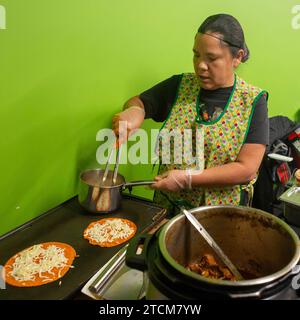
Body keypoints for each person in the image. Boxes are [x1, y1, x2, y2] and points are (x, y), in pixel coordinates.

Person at [112, 14, 269, 213]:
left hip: (218, 214)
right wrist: (135, 111)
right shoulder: (179, 86)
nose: (201, 66)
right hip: (168, 207)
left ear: (237, 57)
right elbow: (139, 102)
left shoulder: (253, 101)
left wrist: (187, 178)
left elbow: (247, 168)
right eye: (196, 55)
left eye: (211, 58)